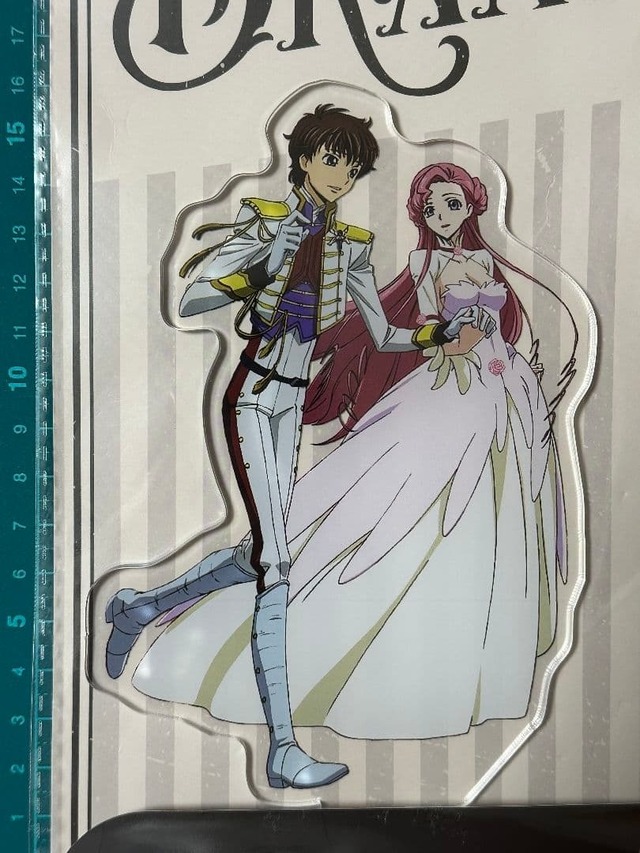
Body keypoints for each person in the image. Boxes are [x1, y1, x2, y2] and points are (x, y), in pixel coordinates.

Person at [123, 162, 573, 742]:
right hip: (426, 389)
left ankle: (147, 608)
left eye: (452, 205)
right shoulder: (413, 259)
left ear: (471, 205)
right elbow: (398, 327)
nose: (441, 217)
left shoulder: (459, 259)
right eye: (431, 208)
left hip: (498, 389)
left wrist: (510, 359)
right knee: (329, 534)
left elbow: (456, 325)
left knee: (486, 519)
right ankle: (277, 734)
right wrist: (442, 337)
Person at [104, 113, 488, 787]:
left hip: (290, 403)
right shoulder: (263, 223)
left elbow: (382, 335)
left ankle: (140, 606)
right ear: (304, 158)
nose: (341, 176)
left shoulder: (351, 245)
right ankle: (283, 750)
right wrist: (262, 262)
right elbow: (191, 299)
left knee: (260, 555)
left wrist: (438, 336)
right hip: (254, 395)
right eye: (331, 160)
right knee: (277, 565)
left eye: (352, 166)